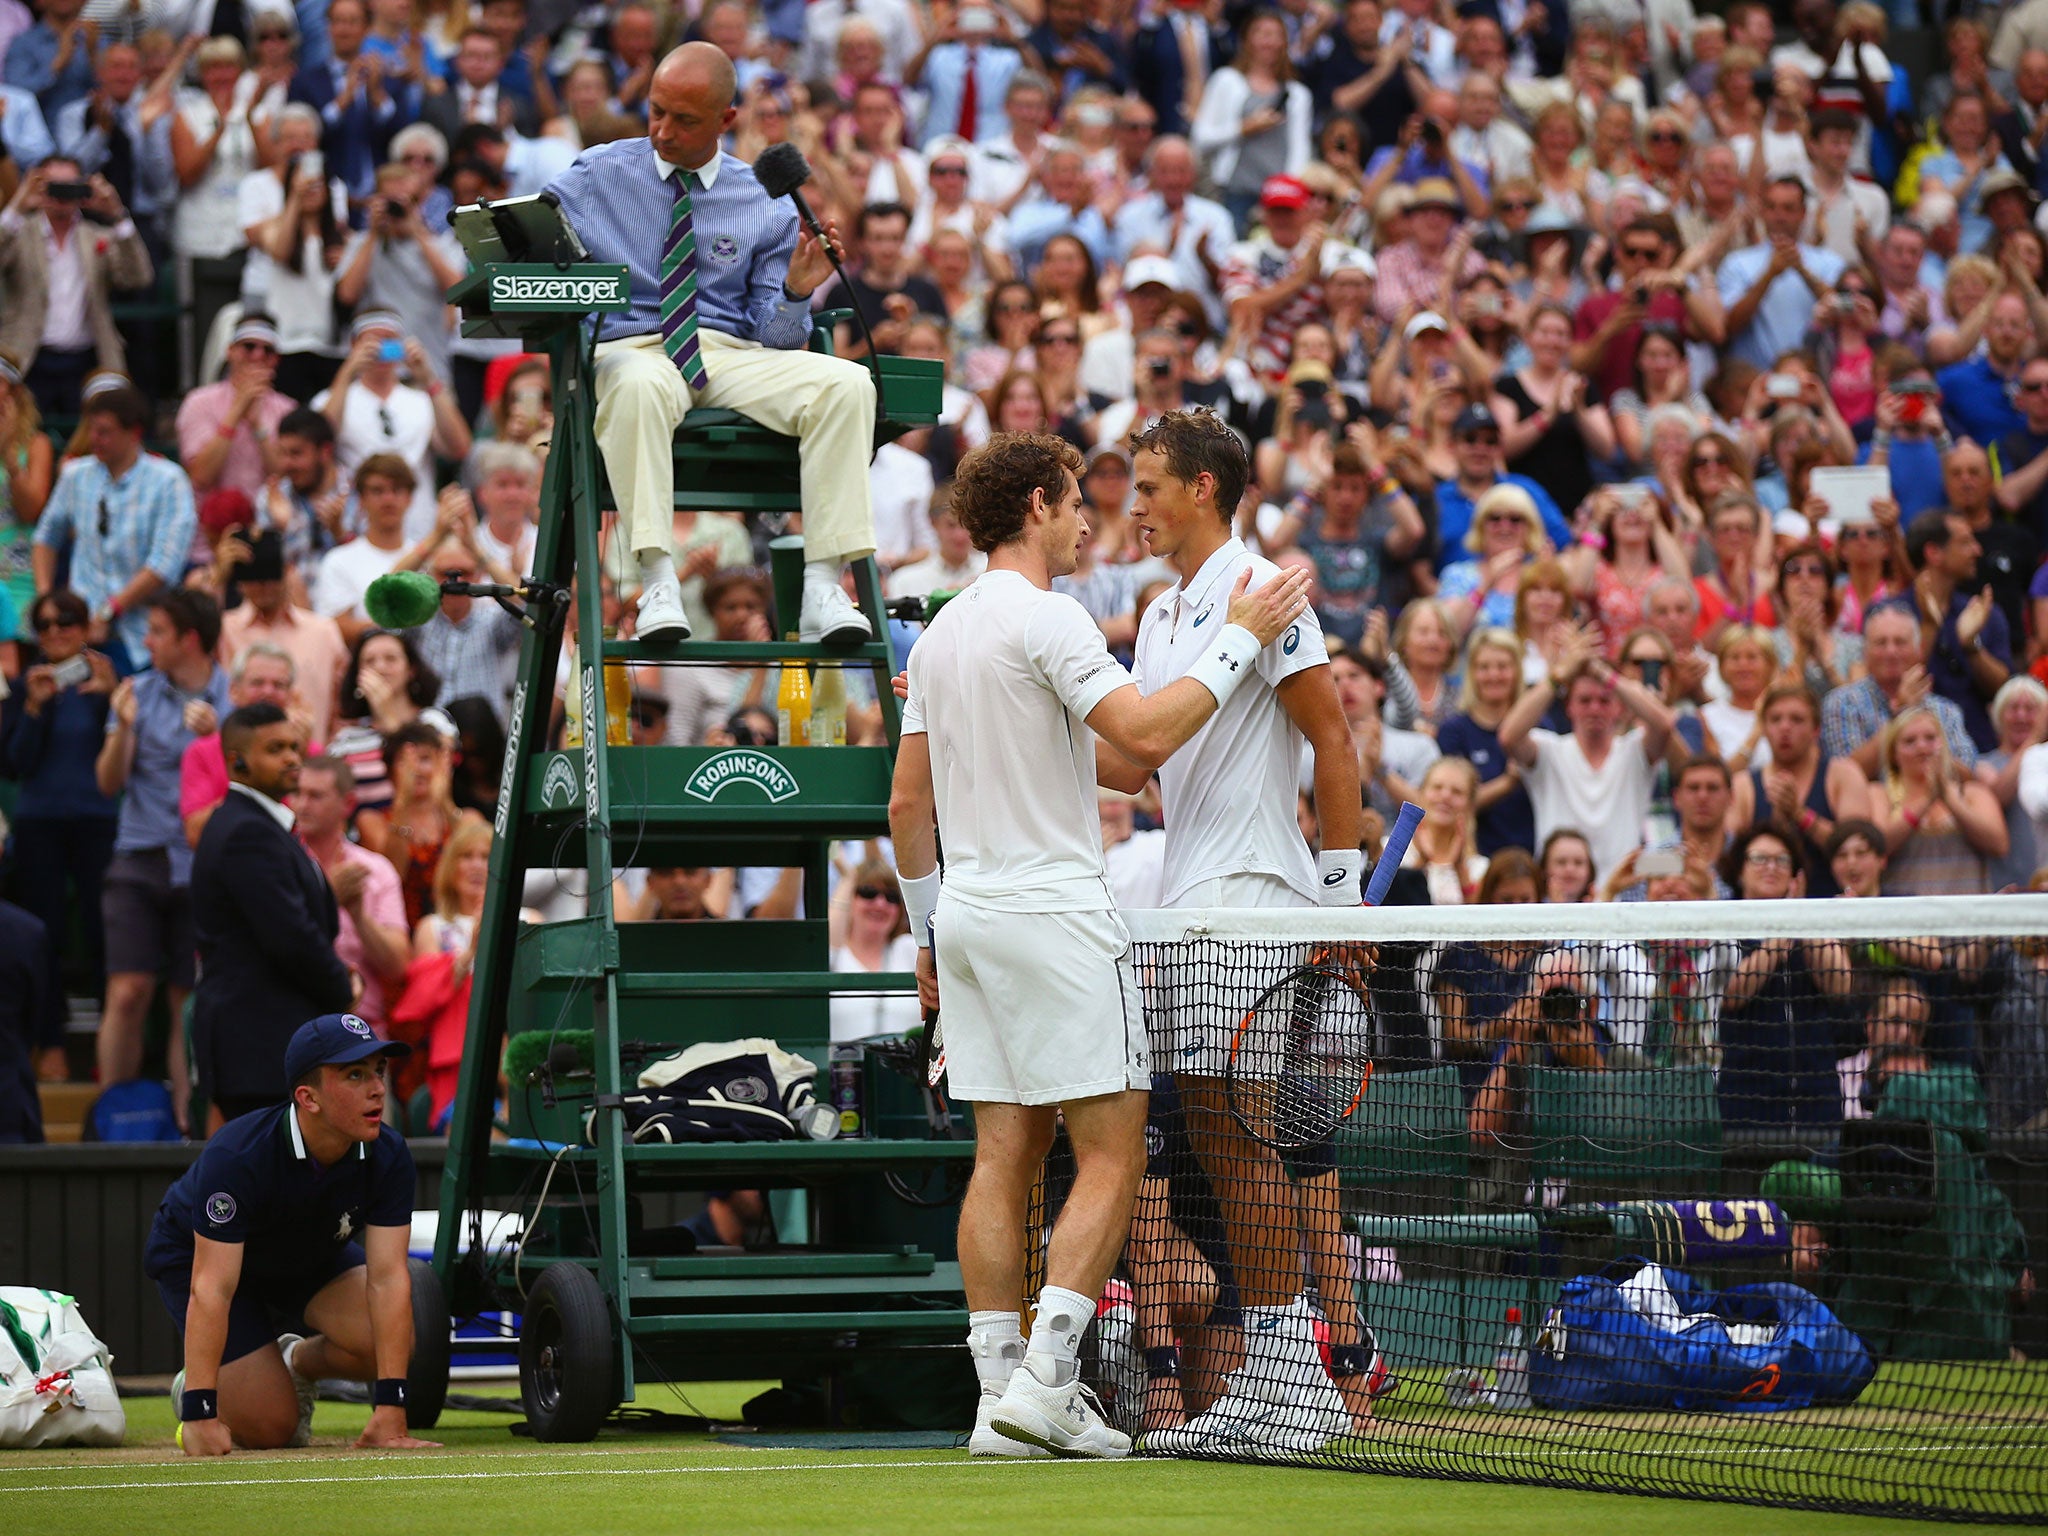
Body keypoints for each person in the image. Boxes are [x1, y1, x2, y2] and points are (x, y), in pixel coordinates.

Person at [886, 430, 1311, 1460]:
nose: (1090, 523)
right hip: (1056, 915)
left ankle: (996, 1400)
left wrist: (926, 929)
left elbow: (911, 804)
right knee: (1112, 1148)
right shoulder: (1051, 617)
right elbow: (1151, 738)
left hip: (972, 918)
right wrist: (1240, 636)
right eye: (1077, 505)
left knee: (1003, 1151)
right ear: (1037, 505)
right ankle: (1045, 1378)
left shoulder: (939, 636)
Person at [1119, 409, 1369, 1453]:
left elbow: (1334, 742)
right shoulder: (1155, 613)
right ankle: (1271, 1374)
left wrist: (1342, 899)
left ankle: (1291, 1378)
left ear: (1203, 492)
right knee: (1218, 1138)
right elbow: (1132, 761)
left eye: (1147, 488)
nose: (1131, 506)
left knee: (1245, 1131)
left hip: (1258, 893)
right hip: (1182, 901)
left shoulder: (1264, 593)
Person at [545, 42, 879, 647]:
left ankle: (824, 586)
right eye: (656, 112)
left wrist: (798, 291)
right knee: (639, 384)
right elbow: (527, 238)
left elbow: (775, 340)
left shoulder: (764, 201)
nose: (664, 132)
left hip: (728, 353)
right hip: (634, 344)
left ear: (727, 120)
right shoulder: (597, 173)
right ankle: (657, 580)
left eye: (685, 120)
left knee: (849, 382)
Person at [144, 1013, 438, 1455]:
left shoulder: (388, 1153)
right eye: (355, 1075)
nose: (378, 1088)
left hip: (304, 1253)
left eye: (378, 1071)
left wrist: (390, 1409)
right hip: (203, 1260)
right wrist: (200, 1411)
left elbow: (388, 1278)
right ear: (308, 1098)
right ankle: (200, 1384)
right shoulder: (238, 1155)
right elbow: (211, 1288)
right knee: (272, 1431)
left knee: (391, 1336)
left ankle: (293, 1361)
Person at [93, 588, 230, 1126]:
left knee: (184, 998)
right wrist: (122, 726)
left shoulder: (233, 698)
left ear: (189, 640)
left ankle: (183, 1124)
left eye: (156, 632)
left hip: (202, 864)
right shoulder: (136, 693)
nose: (146, 641)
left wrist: (218, 739)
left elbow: (245, 787)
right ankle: (111, 1119)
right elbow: (108, 784)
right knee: (127, 991)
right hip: (140, 856)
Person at [190, 702, 355, 1124]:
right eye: (275, 749)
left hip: (269, 1041)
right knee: (273, 1182)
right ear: (237, 760)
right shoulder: (247, 832)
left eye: (294, 747)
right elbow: (290, 937)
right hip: (259, 1046)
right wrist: (343, 986)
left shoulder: (261, 825)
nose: (291, 759)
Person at [29, 382, 192, 674]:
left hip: (143, 636)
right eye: (90, 429)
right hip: (78, 635)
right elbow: (45, 537)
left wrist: (108, 611)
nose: (93, 438)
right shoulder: (75, 475)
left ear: (134, 433)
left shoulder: (169, 480)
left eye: (104, 431)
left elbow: (164, 565)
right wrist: (47, 600)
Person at [1498, 622, 1678, 880]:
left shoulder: (1634, 748)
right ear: (1569, 707)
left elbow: (1665, 724)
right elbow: (1509, 735)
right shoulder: (1550, 750)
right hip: (1560, 892)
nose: (1594, 709)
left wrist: (1603, 673)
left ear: (1618, 707)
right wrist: (1560, 675)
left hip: (1623, 891)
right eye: (1584, 700)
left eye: (1604, 700)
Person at [0, 156, 151, 414]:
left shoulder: (96, 235)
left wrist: (117, 213)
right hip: (28, 358)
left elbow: (139, 276)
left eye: (70, 186)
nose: (62, 194)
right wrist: (18, 205)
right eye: (54, 186)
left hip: (86, 359)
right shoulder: (20, 232)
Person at [293, 754, 409, 1037]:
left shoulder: (375, 870)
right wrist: (331, 899)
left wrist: (358, 916)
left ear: (348, 804)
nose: (302, 805)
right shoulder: (280, 862)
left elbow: (399, 965)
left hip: (361, 1031)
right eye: (297, 793)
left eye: (315, 796)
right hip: (296, 1025)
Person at [1728, 681, 1871, 896]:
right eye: (1776, 719)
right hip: (1763, 911)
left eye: (1797, 719)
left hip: (1830, 904)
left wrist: (1800, 814)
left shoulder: (1842, 775)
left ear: (1816, 730)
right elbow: (1733, 857)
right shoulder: (1743, 785)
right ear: (1764, 729)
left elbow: (1859, 853)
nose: (1785, 728)